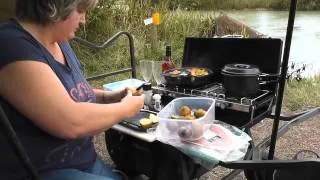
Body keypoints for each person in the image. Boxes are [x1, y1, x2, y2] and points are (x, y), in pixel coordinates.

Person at [0, 0, 145, 179]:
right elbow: (69, 121)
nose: (83, 20)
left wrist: (109, 97)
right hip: (43, 172)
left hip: (85, 163)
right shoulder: (10, 43)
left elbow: (72, 94)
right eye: (81, 9)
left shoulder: (60, 42)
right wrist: (126, 109)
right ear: (54, 6)